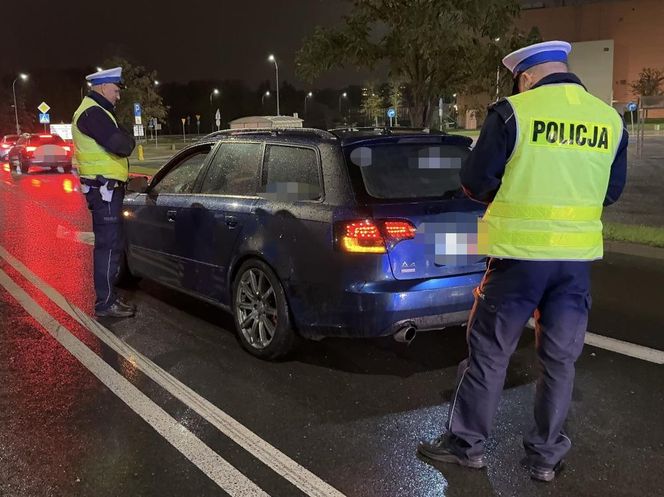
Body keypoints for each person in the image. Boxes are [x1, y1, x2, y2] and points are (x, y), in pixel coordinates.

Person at [418, 41, 628, 482]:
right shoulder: (609, 119)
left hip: (517, 261)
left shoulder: (514, 112)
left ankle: (466, 444)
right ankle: (545, 458)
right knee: (559, 362)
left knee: (489, 354)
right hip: (574, 264)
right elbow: (610, 192)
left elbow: (474, 181)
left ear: (527, 76)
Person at [72, 67, 137, 318]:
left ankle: (108, 297)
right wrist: (127, 141)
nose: (118, 96)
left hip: (106, 189)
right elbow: (122, 144)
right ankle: (106, 303)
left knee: (111, 244)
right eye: (116, 90)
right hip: (104, 191)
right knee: (108, 246)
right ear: (101, 87)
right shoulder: (92, 113)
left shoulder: (99, 112)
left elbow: (121, 140)